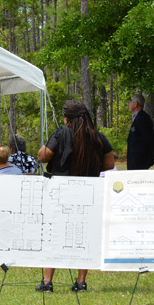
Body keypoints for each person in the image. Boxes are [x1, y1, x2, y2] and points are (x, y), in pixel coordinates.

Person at [36, 100, 115, 293]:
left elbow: (43, 156)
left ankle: (47, 281)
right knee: (83, 234)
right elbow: (109, 164)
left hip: (60, 190)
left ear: (66, 118)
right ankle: (81, 282)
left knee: (53, 233)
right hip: (88, 191)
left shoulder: (61, 133)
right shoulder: (98, 137)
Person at [127, 93, 154, 170]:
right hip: (135, 159)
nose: (128, 104)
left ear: (135, 104)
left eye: (130, 102)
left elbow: (148, 138)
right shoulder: (137, 118)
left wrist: (153, 151)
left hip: (140, 160)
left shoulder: (142, 118)